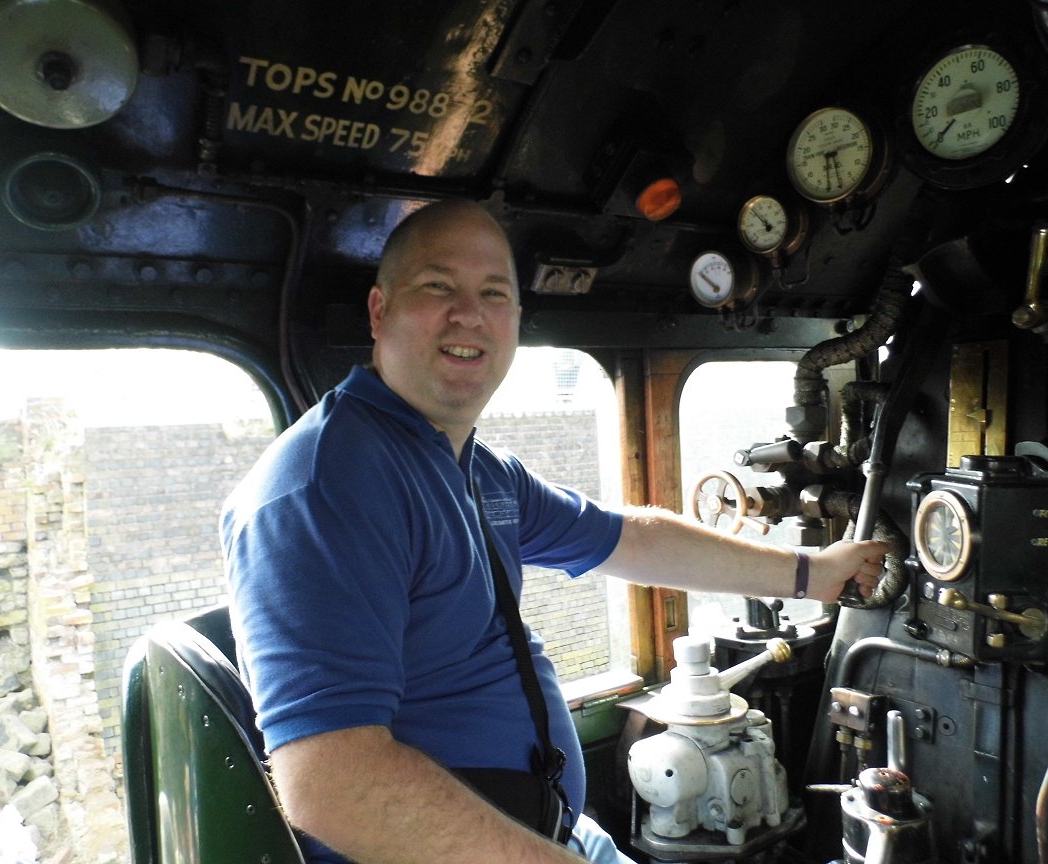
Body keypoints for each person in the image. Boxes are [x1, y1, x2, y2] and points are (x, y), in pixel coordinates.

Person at [220, 198, 888, 864]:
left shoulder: (473, 468)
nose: (469, 313)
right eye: (437, 286)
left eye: (493, 293)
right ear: (379, 310)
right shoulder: (329, 485)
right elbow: (334, 784)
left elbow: (631, 536)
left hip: (551, 832)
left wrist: (812, 573)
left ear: (514, 321)